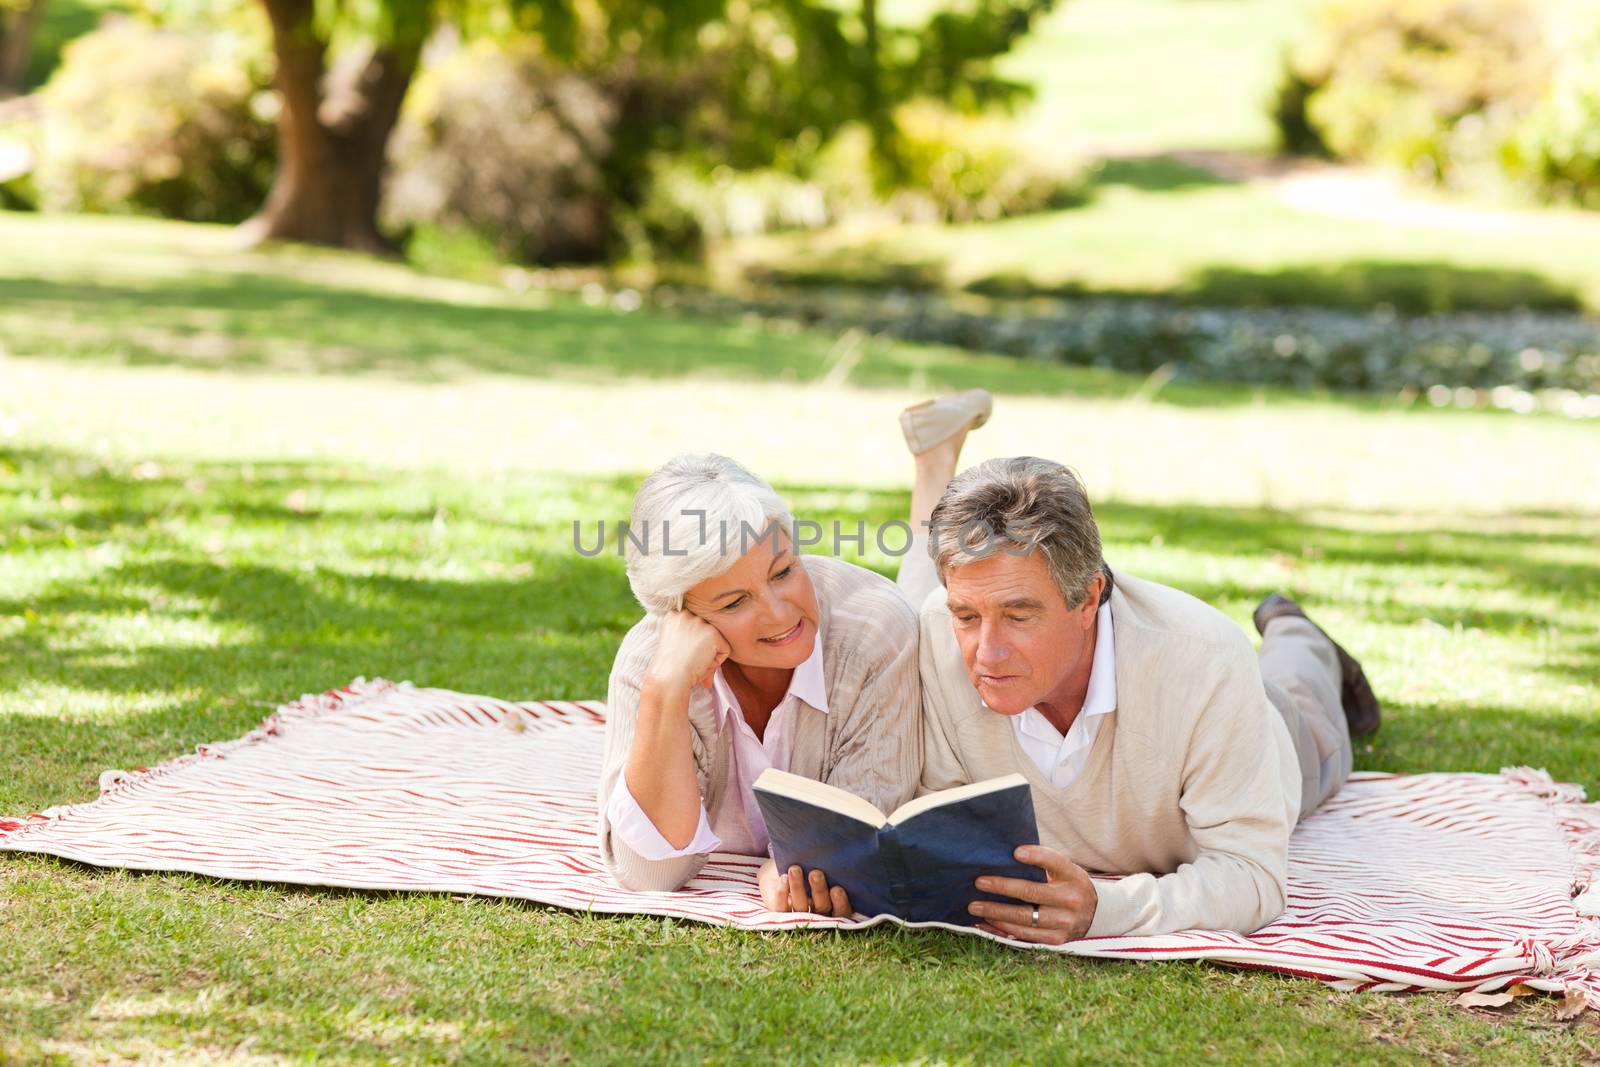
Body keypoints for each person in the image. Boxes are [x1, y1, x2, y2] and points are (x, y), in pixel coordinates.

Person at [894, 392, 1380, 943]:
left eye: (1019, 615)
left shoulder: (1207, 664)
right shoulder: (934, 630)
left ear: (1087, 599)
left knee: (1302, 691)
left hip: (1277, 733)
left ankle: (1296, 629)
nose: (986, 653)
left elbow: (1253, 876)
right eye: (967, 616)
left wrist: (1105, 907)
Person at [596, 453, 922, 915]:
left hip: (906, 614)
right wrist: (666, 689)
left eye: (784, 572)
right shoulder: (649, 659)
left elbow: (860, 832)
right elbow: (649, 873)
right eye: (734, 602)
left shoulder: (876, 632)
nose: (780, 613)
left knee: (930, 599)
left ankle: (932, 463)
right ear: (680, 614)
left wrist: (793, 864)